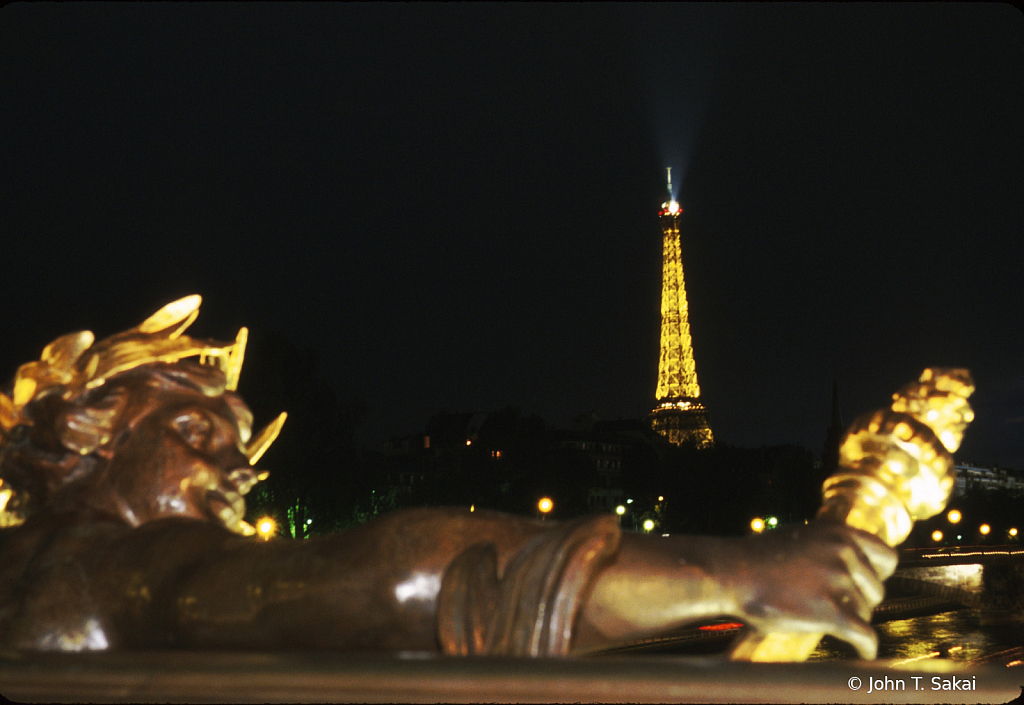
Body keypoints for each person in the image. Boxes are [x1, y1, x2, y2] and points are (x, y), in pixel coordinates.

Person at [0, 297, 895, 657]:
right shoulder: (126, 566)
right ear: (92, 437)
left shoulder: (33, 562)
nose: (238, 468)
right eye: (197, 430)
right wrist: (741, 573)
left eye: (241, 441)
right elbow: (398, 574)